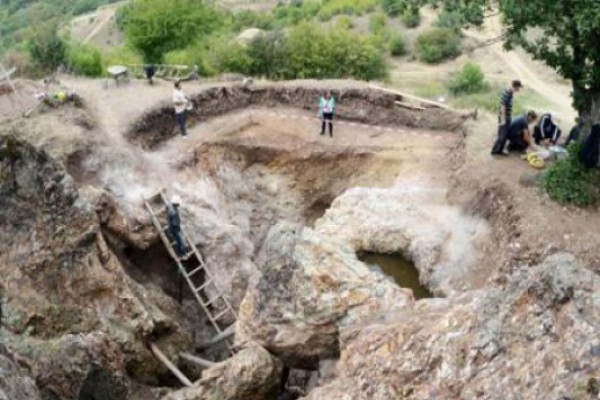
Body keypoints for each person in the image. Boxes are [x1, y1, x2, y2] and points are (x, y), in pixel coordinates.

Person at [491, 80, 523, 155]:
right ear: (515, 86)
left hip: (507, 117)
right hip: (504, 117)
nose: (519, 89)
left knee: (504, 134)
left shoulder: (510, 93)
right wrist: (503, 119)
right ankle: (495, 151)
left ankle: (500, 150)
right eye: (519, 87)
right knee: (502, 135)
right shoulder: (507, 93)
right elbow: (503, 106)